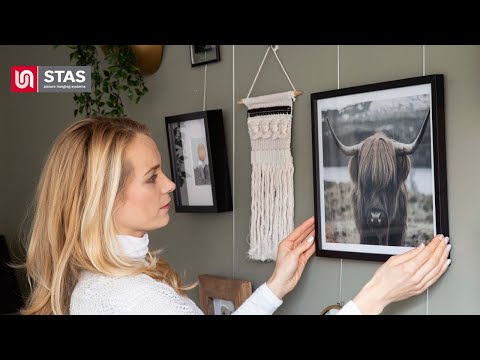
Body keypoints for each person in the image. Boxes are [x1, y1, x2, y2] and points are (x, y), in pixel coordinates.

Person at [21, 117, 451, 315]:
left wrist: (273, 288)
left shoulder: (92, 284)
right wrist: (373, 297)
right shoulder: (137, 301)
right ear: (103, 199)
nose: (171, 185)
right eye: (153, 178)